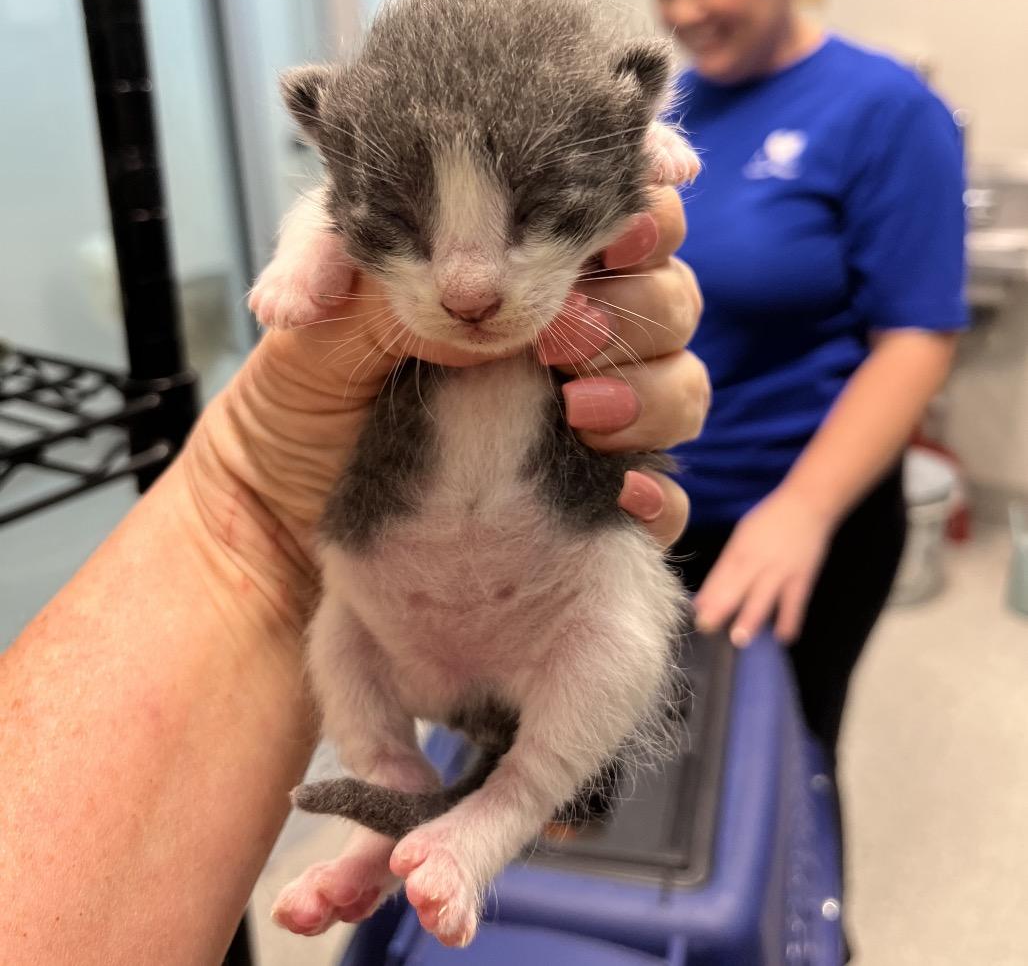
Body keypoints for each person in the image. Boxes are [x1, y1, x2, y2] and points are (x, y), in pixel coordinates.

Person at [0, 187, 708, 964]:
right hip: (384, 595)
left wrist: (622, 155)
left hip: (554, 589)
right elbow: (341, 192)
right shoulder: (383, 188)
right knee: (339, 627)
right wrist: (310, 251)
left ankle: (499, 815)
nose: (468, 292)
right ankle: (391, 786)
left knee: (626, 609)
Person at [639, 0, 967, 867]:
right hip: (659, 514)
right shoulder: (670, 117)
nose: (684, 11)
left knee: (777, 766)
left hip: (800, 514)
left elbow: (917, 336)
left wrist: (802, 512)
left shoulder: (884, 109)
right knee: (651, 764)